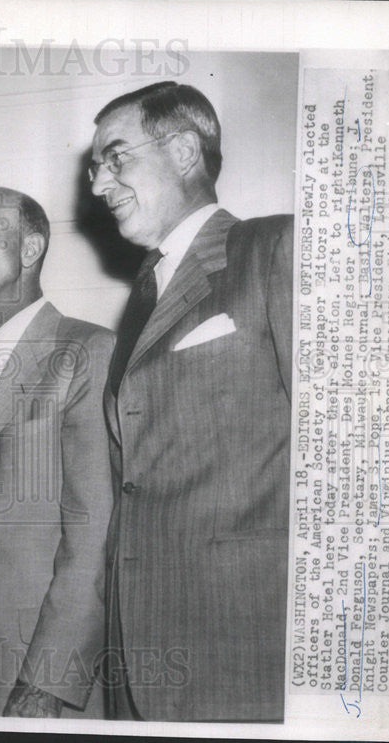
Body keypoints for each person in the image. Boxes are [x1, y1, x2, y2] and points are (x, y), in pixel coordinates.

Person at [90, 81, 292, 721]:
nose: (98, 185)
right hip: (136, 656)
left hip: (242, 648)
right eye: (95, 168)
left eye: (115, 158)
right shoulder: (140, 298)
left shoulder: (275, 249)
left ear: (182, 151)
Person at [0, 187, 115, 718]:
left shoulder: (87, 351)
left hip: (41, 679)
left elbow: (95, 531)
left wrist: (48, 680)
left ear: (30, 248)